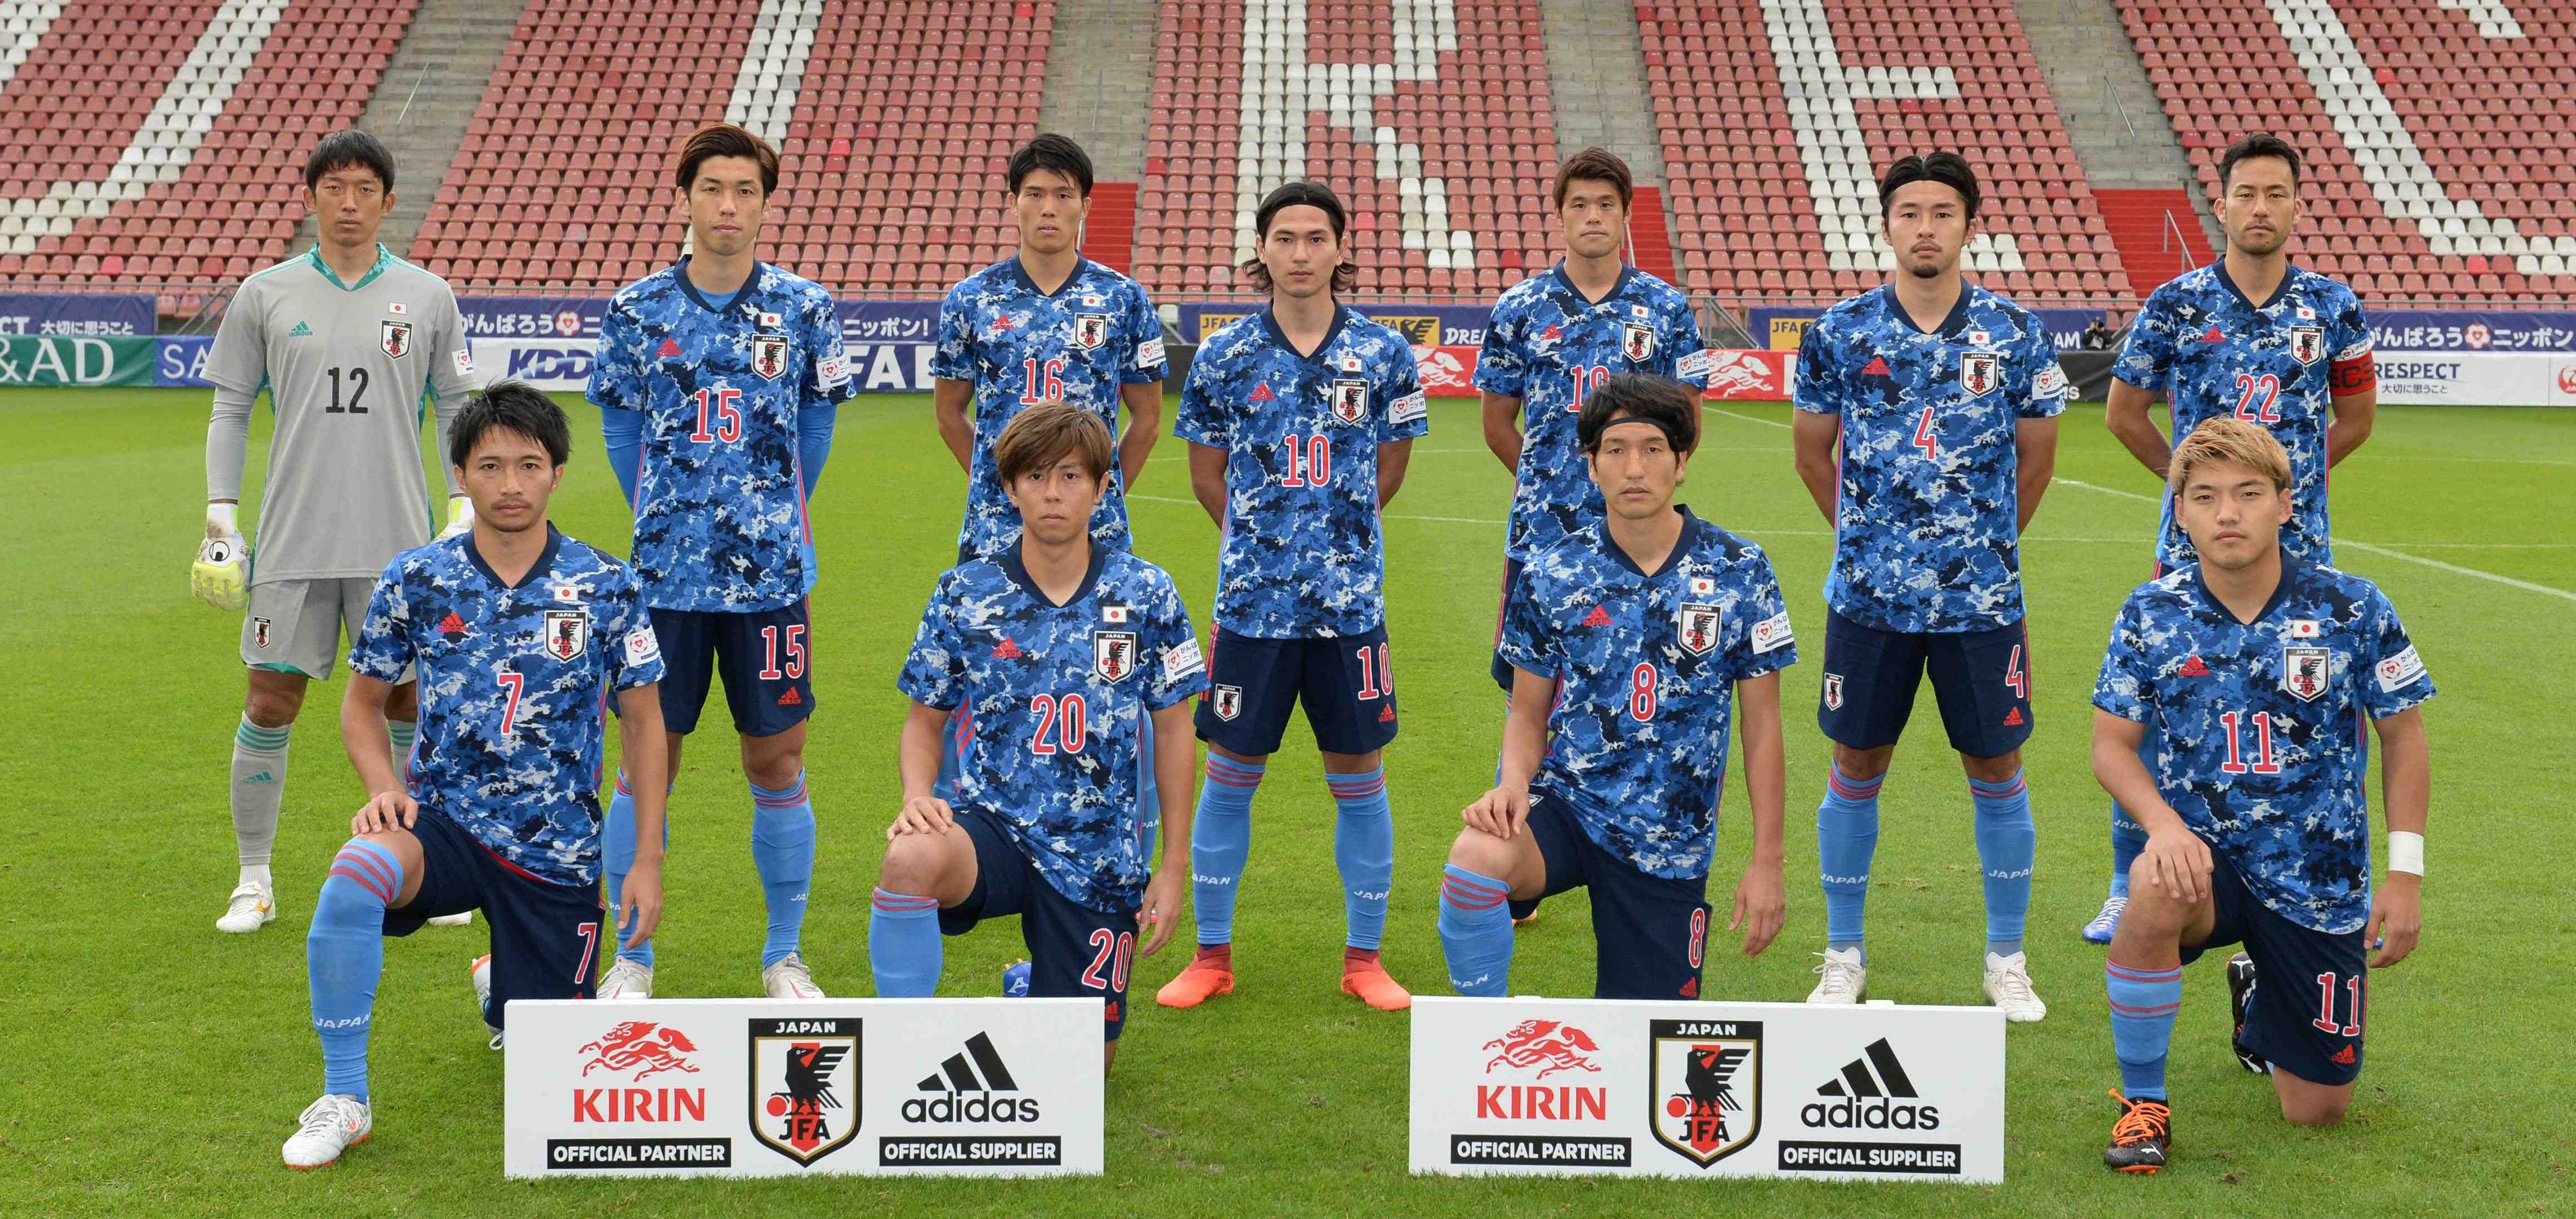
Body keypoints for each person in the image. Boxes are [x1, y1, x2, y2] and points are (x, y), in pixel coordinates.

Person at [281, 383, 669, 1169]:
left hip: (556, 849)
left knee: (553, 1075)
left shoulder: (607, 584)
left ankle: (505, 985)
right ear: (460, 473)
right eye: (490, 466)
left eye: (529, 464)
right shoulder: (416, 578)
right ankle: (344, 1097)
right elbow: (360, 707)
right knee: (355, 874)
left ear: (558, 471)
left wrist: (648, 857)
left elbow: (643, 722)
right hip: (445, 826)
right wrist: (382, 786)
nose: (512, 484)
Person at [2092, 418, 2430, 1173]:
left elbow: (2403, 739)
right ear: (2178, 510)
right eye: (2205, 496)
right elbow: (2111, 746)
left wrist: (2403, 873)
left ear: (2285, 502)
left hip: (2317, 875)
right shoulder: (2149, 611)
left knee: (2315, 1110)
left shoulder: (2352, 606)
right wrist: (2161, 828)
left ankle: (2259, 991)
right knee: (2150, 886)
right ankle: (2143, 1103)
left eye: (2248, 493)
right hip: (2202, 861)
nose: (2227, 513)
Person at [1790, 151, 2069, 1021]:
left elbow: (2037, 458)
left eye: (1941, 212)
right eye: (1908, 211)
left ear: (1967, 225)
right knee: (1855, 760)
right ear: (1886, 225)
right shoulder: (1839, 331)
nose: (1924, 227)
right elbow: (1810, 450)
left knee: (1996, 762)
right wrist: (1869, 543)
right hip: (1867, 601)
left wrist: (1977, 547)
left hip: (1981, 603)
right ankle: (1842, 954)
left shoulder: (2016, 332)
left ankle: (2006, 957)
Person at [2084, 133, 2380, 946]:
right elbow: (2122, 413)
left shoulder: (2332, 306)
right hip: (2189, 556)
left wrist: (2289, 493)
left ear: (2295, 204)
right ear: (2219, 205)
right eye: (2243, 193)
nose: (2258, 208)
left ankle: (2303, 884)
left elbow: (2354, 416)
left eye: (2274, 194)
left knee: (2305, 715)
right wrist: (2193, 493)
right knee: (2151, 713)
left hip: (2301, 555)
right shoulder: (2175, 304)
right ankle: (2128, 876)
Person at [584, 123, 854, 1000]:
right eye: (713, 188)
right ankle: (632, 958)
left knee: (776, 758)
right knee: (644, 759)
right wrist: (670, 515)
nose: (728, 205)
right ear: (687, 196)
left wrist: (768, 512)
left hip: (771, 581)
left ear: (765, 202)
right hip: (661, 582)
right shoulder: (636, 310)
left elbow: (815, 428)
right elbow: (622, 430)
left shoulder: (805, 309)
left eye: (745, 189)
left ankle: (783, 953)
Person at [196, 128, 482, 934]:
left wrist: (460, 500)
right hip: (294, 536)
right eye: (335, 188)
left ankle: (423, 865)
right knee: (271, 697)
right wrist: (222, 507)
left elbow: (458, 407)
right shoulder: (266, 292)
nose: (349, 203)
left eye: (365, 190)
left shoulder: (428, 296)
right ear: (312, 196)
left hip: (399, 542)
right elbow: (229, 405)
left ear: (389, 202)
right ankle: (254, 877)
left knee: (410, 698)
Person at [1154, 180, 1428, 1013]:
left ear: (1341, 249)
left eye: (1316, 238)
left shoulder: (1383, 355)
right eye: (1285, 238)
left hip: (1349, 612)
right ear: (1262, 250)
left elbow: (1390, 463)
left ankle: (1364, 959)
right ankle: (1209, 956)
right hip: (1252, 610)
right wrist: (1264, 543)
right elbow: (1206, 474)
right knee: (1230, 774)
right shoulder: (1224, 356)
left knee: (1359, 773)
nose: (1301, 253)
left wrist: (1333, 542)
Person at [1437, 375, 1791, 999]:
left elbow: (1762, 727)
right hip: (1570, 811)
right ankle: (1483, 1035)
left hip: (1668, 841)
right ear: (1590, 464)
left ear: (1681, 463)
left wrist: (1767, 863)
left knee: (1650, 1044)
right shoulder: (1553, 570)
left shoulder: (1741, 569)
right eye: (1615, 449)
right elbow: (1526, 713)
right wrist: (1511, 787)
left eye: (1653, 449)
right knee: (1475, 858)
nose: (1634, 468)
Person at [869, 405, 1204, 1061]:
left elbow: (1173, 731)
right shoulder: (965, 592)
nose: (1053, 493)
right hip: (993, 830)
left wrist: (1171, 864)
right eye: (1036, 477)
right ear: (1010, 487)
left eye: (1072, 476)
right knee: (909, 858)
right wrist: (916, 795)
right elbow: (923, 720)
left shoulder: (1147, 591)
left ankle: (1038, 989)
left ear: (1102, 488)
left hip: (1098, 854)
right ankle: (898, 1050)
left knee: (1082, 1071)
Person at [928, 133, 1170, 845]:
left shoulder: (1122, 298)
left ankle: (1120, 835)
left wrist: (1097, 491)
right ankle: (963, 836)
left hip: (1096, 536)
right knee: (979, 680)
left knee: (1108, 686)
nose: (1048, 207)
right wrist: (1004, 488)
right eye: (1034, 192)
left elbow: (1148, 416)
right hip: (995, 536)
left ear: (1084, 206)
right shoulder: (970, 300)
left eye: (1063, 194)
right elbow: (949, 410)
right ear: (1014, 203)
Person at [1476, 147, 1713, 692]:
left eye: (1606, 204)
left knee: (1632, 687)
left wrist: (1638, 484)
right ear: (1559, 215)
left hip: (1639, 534)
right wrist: (1544, 480)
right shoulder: (1519, 307)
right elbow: (1495, 423)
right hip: (1541, 537)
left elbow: (1688, 422)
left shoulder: (1666, 308)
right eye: (1579, 204)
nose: (1592, 216)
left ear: (1626, 214)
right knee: (1531, 696)